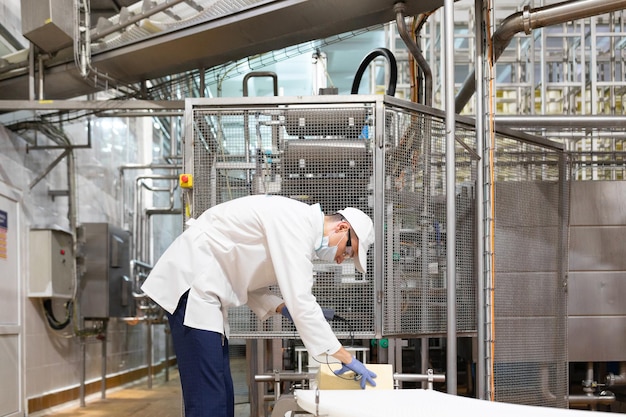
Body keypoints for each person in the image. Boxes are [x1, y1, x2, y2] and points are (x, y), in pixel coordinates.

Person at [141, 194, 377, 417]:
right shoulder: (298, 224)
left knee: (222, 392)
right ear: (342, 228)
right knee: (208, 397)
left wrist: (283, 308)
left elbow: (249, 281)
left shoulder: (297, 225)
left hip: (207, 292)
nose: (339, 259)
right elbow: (302, 301)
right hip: (192, 284)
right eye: (348, 251)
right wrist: (346, 358)